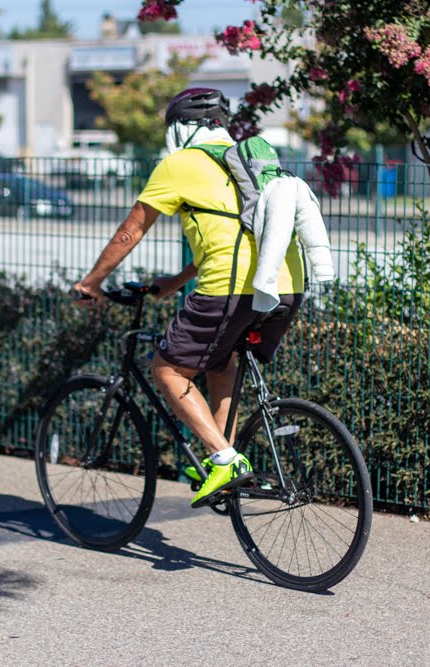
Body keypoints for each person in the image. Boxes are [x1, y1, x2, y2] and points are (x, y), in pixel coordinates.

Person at [73, 87, 305, 508]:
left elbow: (131, 232)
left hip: (229, 287)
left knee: (168, 370)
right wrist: (179, 280)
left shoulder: (179, 165)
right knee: (221, 362)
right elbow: (237, 231)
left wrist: (91, 282)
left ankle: (224, 460)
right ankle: (229, 461)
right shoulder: (244, 162)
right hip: (287, 283)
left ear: (182, 128)